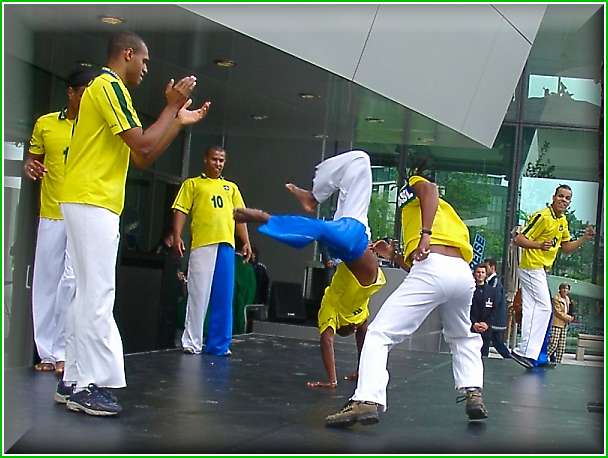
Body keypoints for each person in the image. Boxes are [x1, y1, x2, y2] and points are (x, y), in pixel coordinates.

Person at [56, 31, 210, 416]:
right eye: (144, 62)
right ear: (128, 54)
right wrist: (170, 108)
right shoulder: (108, 86)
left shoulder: (106, 90)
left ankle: (73, 380)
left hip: (87, 200)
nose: (146, 70)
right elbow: (143, 145)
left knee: (85, 292)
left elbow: (142, 157)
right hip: (93, 201)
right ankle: (89, 384)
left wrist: (176, 119)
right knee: (97, 294)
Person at [324, 168, 488, 428]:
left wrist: (425, 234)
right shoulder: (447, 215)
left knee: (378, 334)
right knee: (462, 335)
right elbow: (429, 274)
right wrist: (395, 256)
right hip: (461, 273)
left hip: (435, 266)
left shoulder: (419, 190)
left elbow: (429, 190)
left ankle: (366, 399)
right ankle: (473, 393)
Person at [234, 150, 386, 389]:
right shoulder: (360, 314)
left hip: (352, 240)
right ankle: (313, 197)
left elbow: (328, 341)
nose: (359, 325)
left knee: (319, 228)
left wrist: (332, 380)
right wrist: (361, 369)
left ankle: (268, 218)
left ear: (344, 323)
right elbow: (362, 336)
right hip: (357, 231)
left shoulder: (331, 309)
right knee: (360, 161)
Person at [24, 66, 99, 376]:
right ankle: (47, 352)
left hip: (82, 213)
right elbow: (33, 159)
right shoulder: (45, 124)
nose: (88, 100)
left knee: (72, 282)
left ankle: (64, 351)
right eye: (84, 93)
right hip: (52, 213)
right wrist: (31, 167)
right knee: (45, 282)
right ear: (70, 92)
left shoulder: (96, 128)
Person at [172, 146, 251, 356]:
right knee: (198, 294)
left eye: (222, 160)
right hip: (203, 244)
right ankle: (192, 342)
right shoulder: (193, 184)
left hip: (227, 244)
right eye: (215, 159)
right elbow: (180, 209)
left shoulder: (231, 187)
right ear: (205, 159)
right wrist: (177, 235)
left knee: (224, 297)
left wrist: (246, 241)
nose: (218, 163)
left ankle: (219, 345)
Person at [511, 184, 595, 369]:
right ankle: (525, 350)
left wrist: (584, 239)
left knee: (534, 309)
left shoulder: (562, 221)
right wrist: (539, 245)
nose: (563, 200)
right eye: (561, 196)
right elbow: (518, 239)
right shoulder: (542, 216)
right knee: (543, 308)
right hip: (531, 266)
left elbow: (565, 248)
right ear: (554, 197)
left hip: (540, 269)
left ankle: (527, 352)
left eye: (567, 198)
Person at [483, 258, 512, 359]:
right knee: (496, 342)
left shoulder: (494, 282)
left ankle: (484, 358)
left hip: (495, 318)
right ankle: (509, 357)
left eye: (486, 267)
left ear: (492, 267)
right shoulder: (491, 281)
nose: (485, 270)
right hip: (495, 318)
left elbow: (493, 299)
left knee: (488, 340)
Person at [469, 264, 495, 357]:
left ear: (486, 275)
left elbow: (495, 310)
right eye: (478, 272)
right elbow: (465, 309)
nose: (480, 274)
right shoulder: (469, 290)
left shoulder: (492, 291)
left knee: (484, 357)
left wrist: (487, 324)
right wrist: (473, 323)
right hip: (471, 329)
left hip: (486, 330)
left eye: (482, 272)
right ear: (474, 274)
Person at [547, 283, 574, 365]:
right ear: (560, 289)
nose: (565, 290)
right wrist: (569, 318)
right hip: (557, 324)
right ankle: (543, 358)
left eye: (567, 289)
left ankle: (558, 363)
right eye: (563, 288)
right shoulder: (556, 298)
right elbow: (558, 312)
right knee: (553, 344)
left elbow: (568, 310)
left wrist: (570, 317)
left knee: (561, 346)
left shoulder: (567, 299)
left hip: (564, 324)